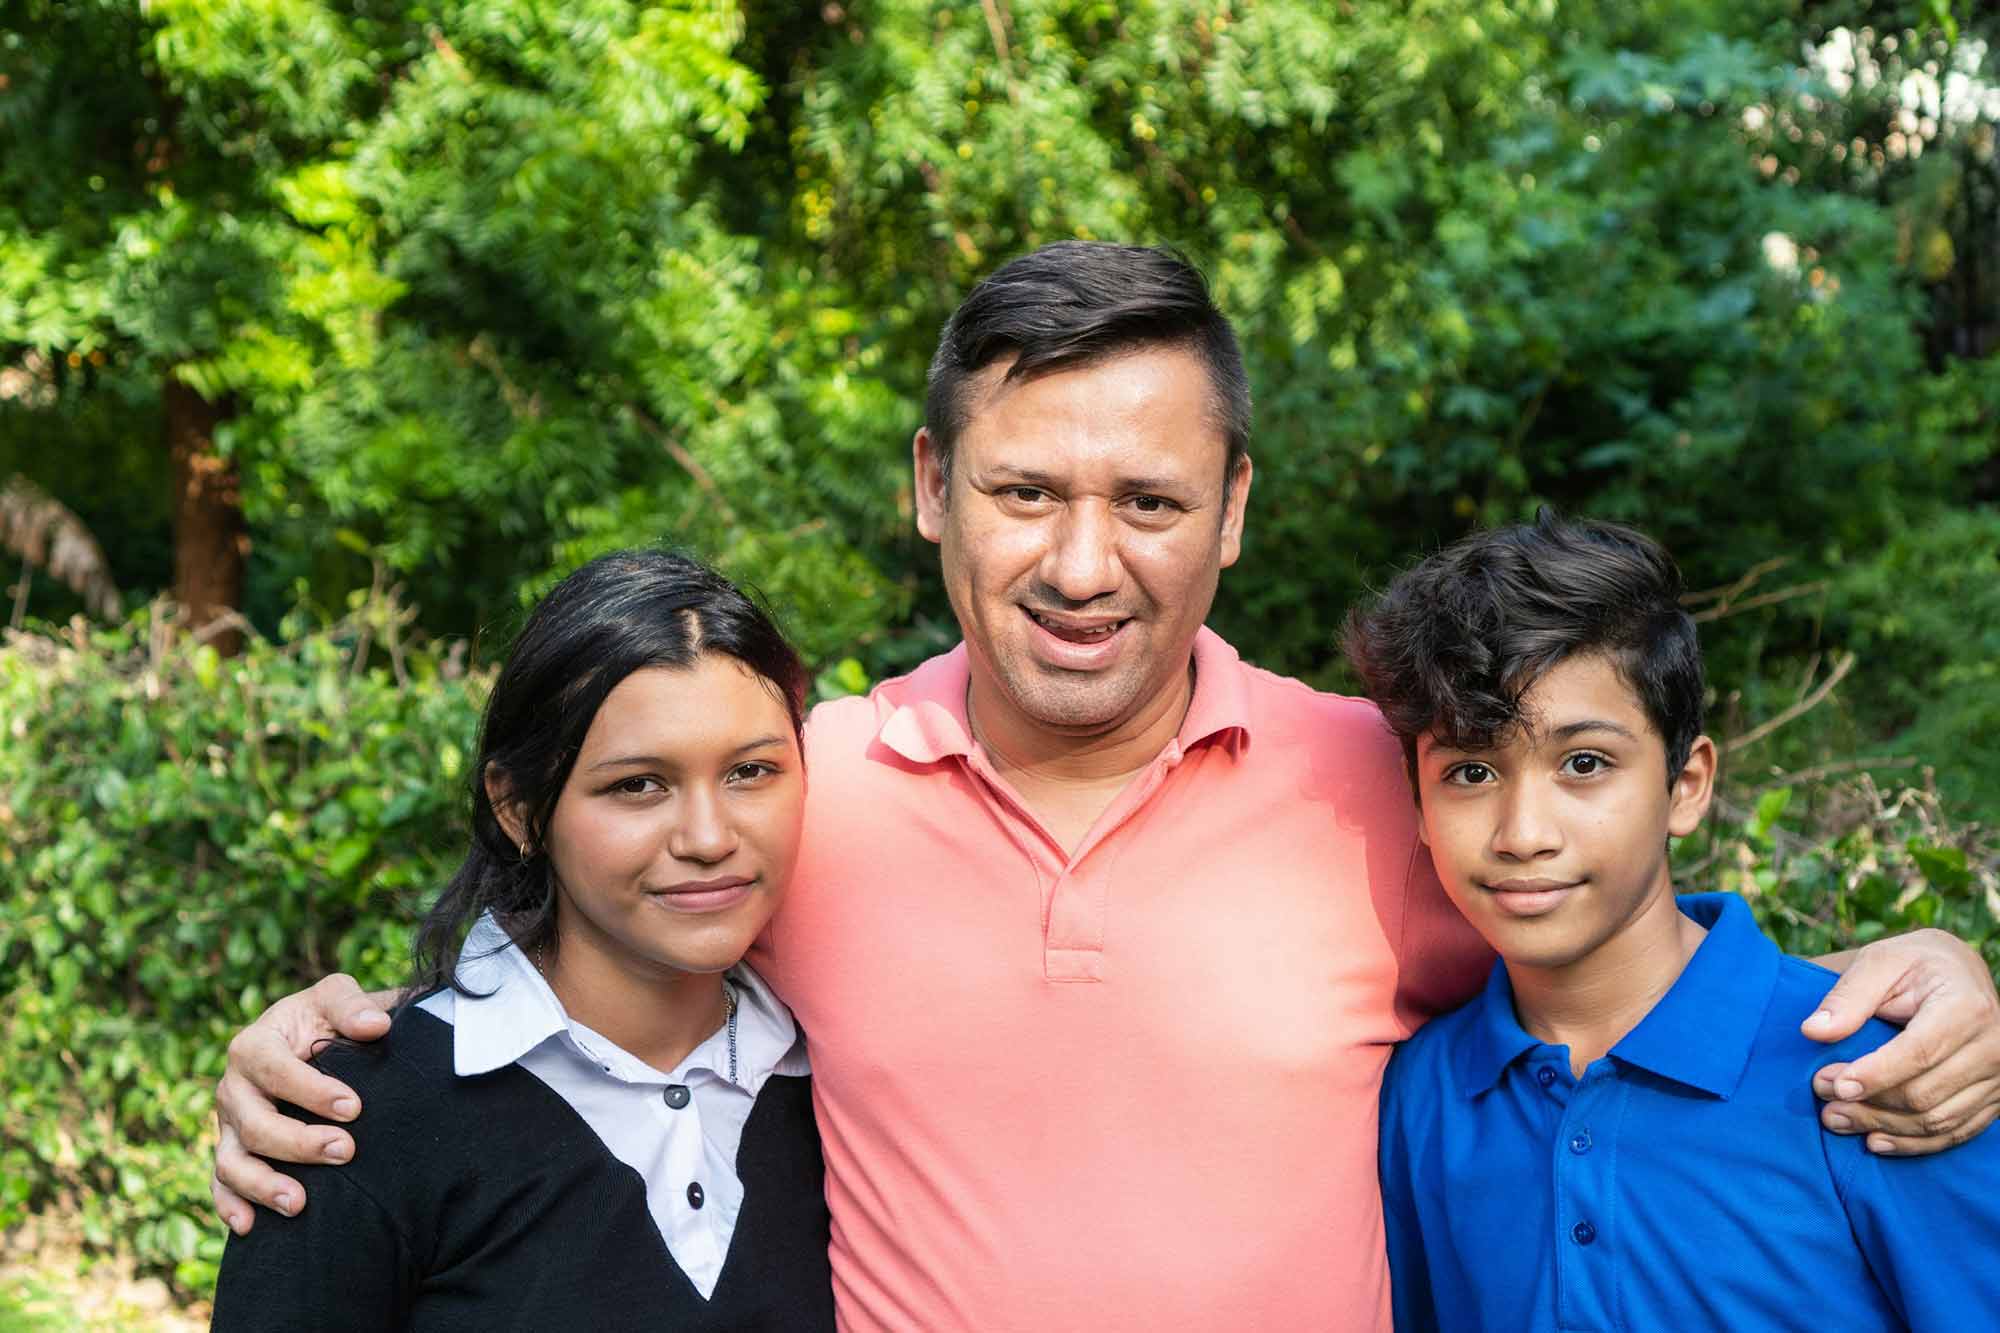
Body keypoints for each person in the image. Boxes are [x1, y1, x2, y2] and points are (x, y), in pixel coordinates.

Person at [208, 244, 2000, 1332]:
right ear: (930, 485)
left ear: (1232, 511)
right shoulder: (803, 785)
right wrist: (318, 1040)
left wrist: (1924, 964)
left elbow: (1617, 918)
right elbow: (587, 914)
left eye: (1148, 500)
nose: (1083, 562)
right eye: (1024, 491)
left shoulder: (1375, 782)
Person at [1350, 513, 2000, 1331]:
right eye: (1471, 771)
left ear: (1686, 783)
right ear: (1418, 802)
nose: (1523, 833)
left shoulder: (1890, 1074)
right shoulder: (1424, 1096)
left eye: (1584, 764)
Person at [208, 550, 835, 1330]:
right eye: (638, 784)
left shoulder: (842, 1084)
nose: (708, 836)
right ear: (519, 809)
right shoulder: (352, 1120)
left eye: (750, 771)